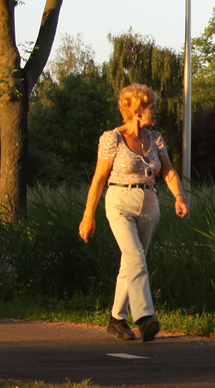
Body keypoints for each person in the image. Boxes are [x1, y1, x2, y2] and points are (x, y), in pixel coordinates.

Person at [79, 83, 189, 342]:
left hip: (149, 201)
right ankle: (145, 316)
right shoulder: (112, 138)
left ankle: (116, 320)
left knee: (131, 262)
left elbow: (168, 171)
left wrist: (179, 196)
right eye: (152, 107)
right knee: (135, 257)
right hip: (119, 201)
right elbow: (99, 178)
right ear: (137, 111)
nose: (156, 111)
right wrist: (88, 215)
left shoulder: (156, 138)